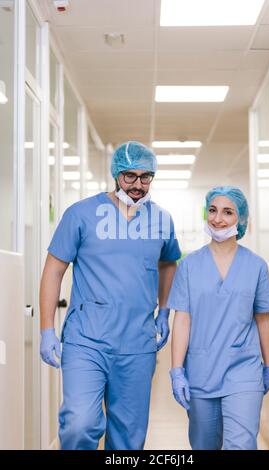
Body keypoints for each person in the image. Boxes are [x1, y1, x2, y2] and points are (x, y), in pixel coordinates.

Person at [39, 141, 181, 450]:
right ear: (115, 174)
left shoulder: (161, 220)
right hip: (87, 338)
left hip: (137, 341)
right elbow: (53, 270)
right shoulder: (81, 214)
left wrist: (165, 312)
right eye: (130, 176)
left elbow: (169, 263)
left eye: (146, 177)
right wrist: (47, 329)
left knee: (128, 437)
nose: (137, 185)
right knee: (80, 423)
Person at [168, 186, 269, 450]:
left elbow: (263, 319)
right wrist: (177, 370)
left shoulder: (256, 266)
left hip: (244, 370)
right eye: (213, 210)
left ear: (241, 220)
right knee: (204, 445)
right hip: (200, 371)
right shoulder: (189, 266)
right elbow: (182, 320)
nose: (218, 219)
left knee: (241, 445)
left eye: (228, 212)